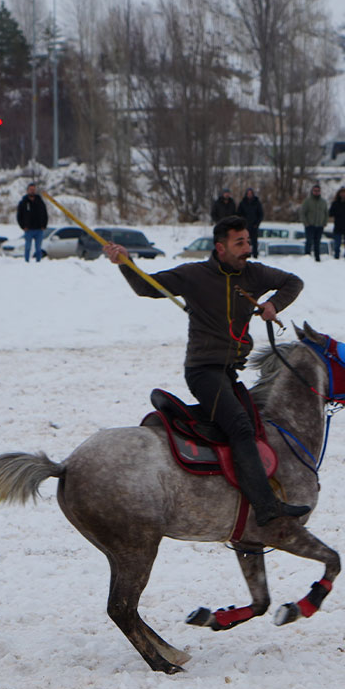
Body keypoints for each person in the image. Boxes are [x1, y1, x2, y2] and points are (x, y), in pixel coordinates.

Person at [103, 214, 307, 526]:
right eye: (239, 243)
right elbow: (147, 287)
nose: (247, 249)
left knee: (254, 423)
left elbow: (294, 282)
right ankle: (266, 506)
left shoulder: (253, 274)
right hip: (203, 371)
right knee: (239, 426)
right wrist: (125, 263)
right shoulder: (193, 275)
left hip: (229, 372)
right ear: (220, 248)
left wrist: (273, 305)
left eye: (248, 242)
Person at [15, 182, 48, 263]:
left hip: (39, 229)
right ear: (27, 191)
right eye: (30, 190)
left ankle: (38, 262)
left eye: (33, 189)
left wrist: (44, 225)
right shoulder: (23, 202)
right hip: (28, 229)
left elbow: (45, 213)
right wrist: (23, 226)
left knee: (38, 248)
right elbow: (19, 216)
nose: (32, 191)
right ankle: (26, 261)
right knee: (28, 247)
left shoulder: (40, 201)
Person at [300, 184, 328, 262]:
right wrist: (305, 223)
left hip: (319, 226)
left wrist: (324, 222)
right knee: (309, 242)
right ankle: (307, 257)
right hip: (310, 225)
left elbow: (326, 213)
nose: (316, 192)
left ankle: (317, 257)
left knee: (317, 243)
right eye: (315, 191)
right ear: (312, 191)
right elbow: (302, 213)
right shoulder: (307, 201)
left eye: (318, 191)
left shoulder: (323, 202)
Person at [239, 188, 265, 257]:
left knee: (254, 241)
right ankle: (246, 253)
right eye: (248, 193)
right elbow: (239, 214)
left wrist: (257, 224)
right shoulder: (243, 203)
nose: (249, 195)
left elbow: (260, 214)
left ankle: (255, 254)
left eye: (251, 193)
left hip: (254, 226)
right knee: (245, 241)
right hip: (245, 226)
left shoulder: (257, 202)